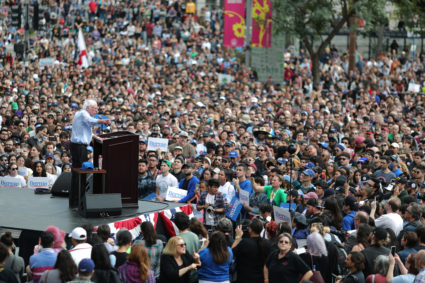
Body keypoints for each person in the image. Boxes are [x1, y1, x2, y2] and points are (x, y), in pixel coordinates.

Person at [69, 99, 111, 208]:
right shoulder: (83, 113)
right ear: (88, 107)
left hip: (79, 147)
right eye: (95, 108)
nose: (97, 111)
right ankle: (77, 201)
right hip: (79, 147)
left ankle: (76, 200)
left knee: (79, 173)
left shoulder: (81, 114)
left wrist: (96, 137)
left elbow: (85, 131)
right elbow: (90, 121)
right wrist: (103, 121)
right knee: (80, 173)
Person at [232, 218, 272, 283]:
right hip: (260, 279)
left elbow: (232, 252)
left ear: (250, 229)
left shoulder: (245, 243)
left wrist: (238, 237)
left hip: (244, 279)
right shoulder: (267, 243)